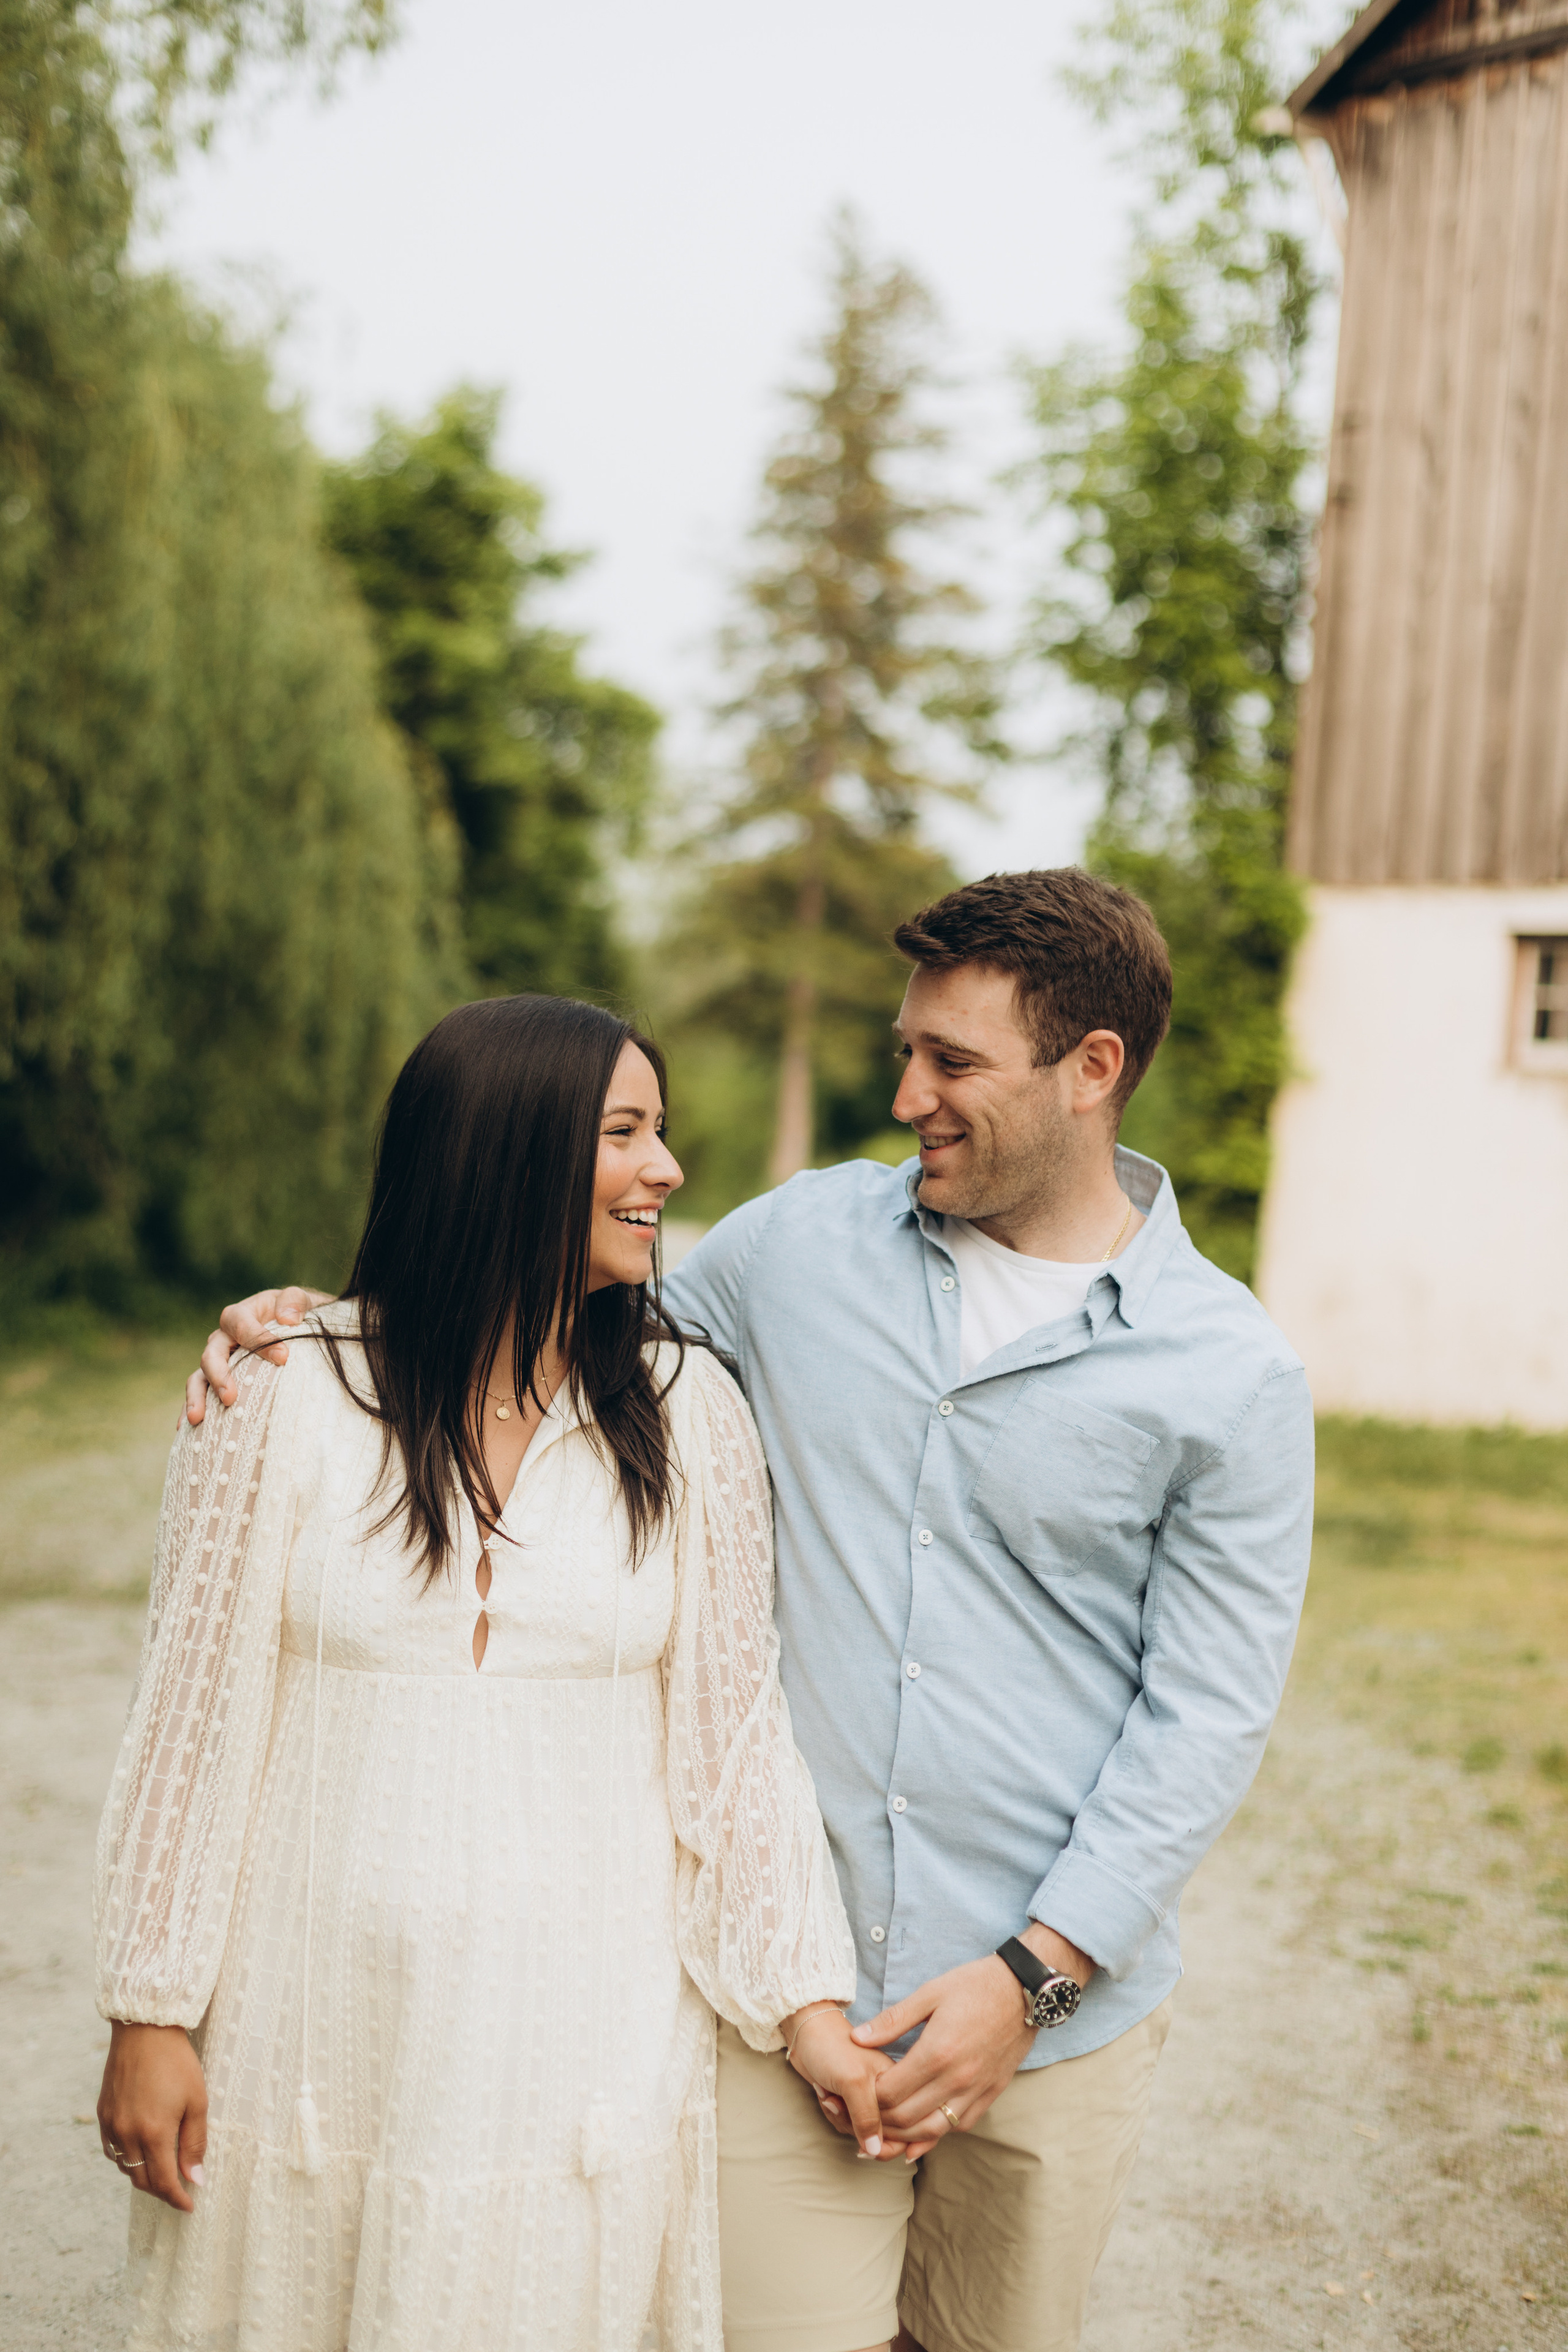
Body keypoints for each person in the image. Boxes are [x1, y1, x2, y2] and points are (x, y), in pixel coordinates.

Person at [192, 867, 1316, 2352]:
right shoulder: (795, 1247)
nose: (908, 1089)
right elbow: (552, 1317)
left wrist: (1031, 1978)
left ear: (1091, 1070)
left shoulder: (1229, 1374)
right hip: (786, 1997)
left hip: (1052, 2022)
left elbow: (1206, 1711)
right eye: (906, 1048)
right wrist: (335, 1322)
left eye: (953, 1063)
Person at [94, 993, 891, 2352]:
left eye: (663, 1132)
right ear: (505, 1155)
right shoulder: (283, 1393)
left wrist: (803, 2007)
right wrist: (150, 2010)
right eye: (627, 1134)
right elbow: (191, 1714)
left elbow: (734, 1738)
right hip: (309, 2015)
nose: (667, 1172)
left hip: (576, 2026)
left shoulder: (686, 1409)